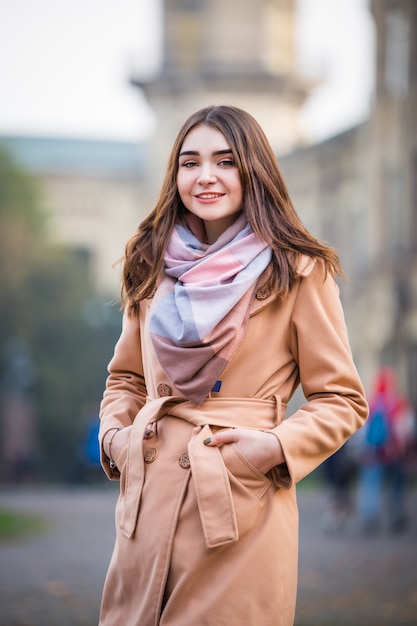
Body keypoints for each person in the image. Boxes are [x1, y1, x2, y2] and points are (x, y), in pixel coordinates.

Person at [98, 105, 368, 626]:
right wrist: (117, 436)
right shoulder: (150, 261)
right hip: (147, 505)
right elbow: (127, 377)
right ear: (174, 174)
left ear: (253, 170)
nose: (205, 177)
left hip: (236, 505)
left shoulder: (298, 269)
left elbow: (342, 399)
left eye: (224, 161)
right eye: (189, 162)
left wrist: (272, 447)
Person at [357, 366, 416, 534]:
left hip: (371, 452)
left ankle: (370, 518)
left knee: (371, 484)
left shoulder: (370, 402)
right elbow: (405, 427)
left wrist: (361, 449)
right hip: (394, 452)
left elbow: (360, 431)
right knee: (396, 484)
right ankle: (397, 516)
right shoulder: (397, 402)